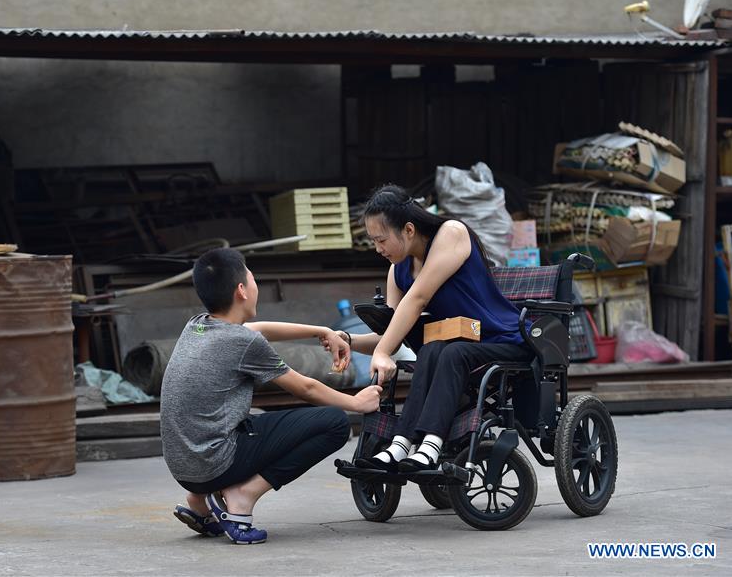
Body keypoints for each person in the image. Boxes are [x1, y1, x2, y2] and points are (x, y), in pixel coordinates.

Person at [160, 248, 382, 545]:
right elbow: (306, 388)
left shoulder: (198, 326)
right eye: (252, 278)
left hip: (184, 467)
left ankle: (198, 502)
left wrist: (323, 330)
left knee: (251, 420)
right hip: (214, 463)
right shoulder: (242, 341)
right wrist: (356, 402)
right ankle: (242, 496)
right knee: (334, 423)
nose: (255, 286)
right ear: (241, 290)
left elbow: (260, 328)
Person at [327, 184, 533, 473]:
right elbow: (394, 334)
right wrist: (348, 339)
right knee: (432, 349)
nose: (378, 249)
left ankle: (431, 444)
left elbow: (418, 298)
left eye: (381, 239)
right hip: (458, 348)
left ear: (409, 230)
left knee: (449, 352)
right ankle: (401, 444)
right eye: (374, 241)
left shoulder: (452, 233)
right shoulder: (397, 270)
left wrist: (385, 351)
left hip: (504, 338)